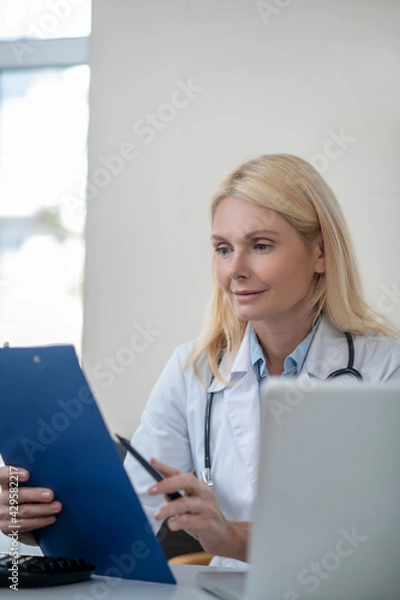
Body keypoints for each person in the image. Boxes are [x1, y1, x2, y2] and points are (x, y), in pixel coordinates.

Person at [1, 154, 399, 569]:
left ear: (320, 254)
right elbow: (129, 516)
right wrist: (36, 519)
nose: (235, 270)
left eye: (261, 246)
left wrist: (231, 537)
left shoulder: (385, 371)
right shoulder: (193, 371)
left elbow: (378, 539)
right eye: (223, 249)